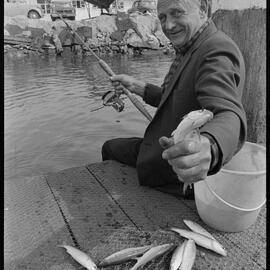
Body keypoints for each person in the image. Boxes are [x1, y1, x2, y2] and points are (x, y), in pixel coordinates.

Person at [101, 0, 247, 198]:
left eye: (177, 13)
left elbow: (228, 112)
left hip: (172, 166)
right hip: (158, 145)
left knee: (109, 148)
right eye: (162, 17)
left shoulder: (216, 51)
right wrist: (138, 87)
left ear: (203, 10)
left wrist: (210, 147)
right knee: (110, 146)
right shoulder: (190, 46)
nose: (168, 25)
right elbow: (174, 97)